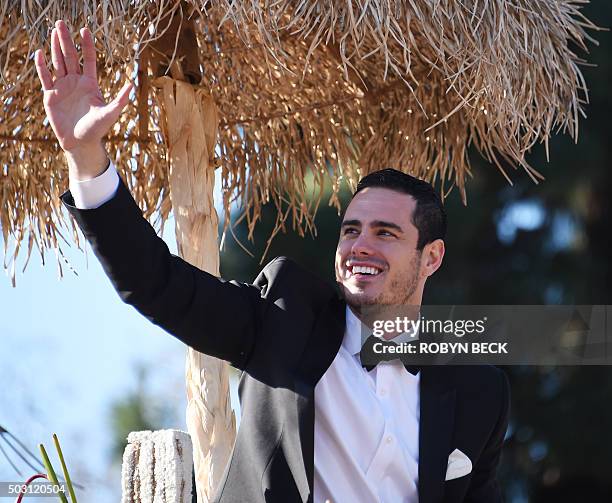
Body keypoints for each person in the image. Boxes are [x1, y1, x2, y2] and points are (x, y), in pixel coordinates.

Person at [35, 20, 510, 503]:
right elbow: (155, 283)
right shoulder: (285, 316)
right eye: (351, 230)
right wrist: (85, 155)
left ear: (431, 257)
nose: (360, 246)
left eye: (385, 233)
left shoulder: (479, 391)